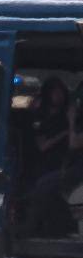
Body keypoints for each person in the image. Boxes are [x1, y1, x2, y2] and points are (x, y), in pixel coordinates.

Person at [21, 82, 83, 238]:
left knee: (44, 185)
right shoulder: (43, 118)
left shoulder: (69, 119)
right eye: (55, 92)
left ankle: (31, 231)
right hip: (66, 164)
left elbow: (74, 143)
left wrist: (70, 121)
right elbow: (41, 145)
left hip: (76, 168)